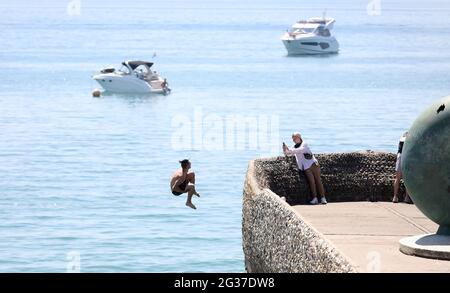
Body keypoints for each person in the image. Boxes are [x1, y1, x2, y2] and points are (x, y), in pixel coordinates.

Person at [283, 132, 327, 205]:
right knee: (311, 182)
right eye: (293, 138)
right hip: (306, 167)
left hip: (313, 164)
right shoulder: (294, 147)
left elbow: (300, 150)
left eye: (295, 138)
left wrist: (289, 150)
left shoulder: (304, 144)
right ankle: (315, 198)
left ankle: (323, 198)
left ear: (299, 137)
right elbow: (288, 153)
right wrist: (285, 149)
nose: (294, 140)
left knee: (318, 181)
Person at [393, 132, 412, 204]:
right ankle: (407, 197)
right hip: (406, 156)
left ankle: (395, 197)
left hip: (399, 156)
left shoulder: (401, 140)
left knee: (397, 178)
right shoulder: (409, 141)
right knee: (407, 179)